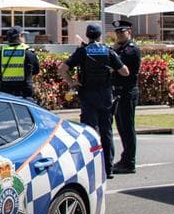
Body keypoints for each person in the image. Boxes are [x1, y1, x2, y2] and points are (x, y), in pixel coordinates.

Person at [59, 22, 129, 178]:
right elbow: (125, 72)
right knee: (107, 132)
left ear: (87, 35)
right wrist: (111, 69)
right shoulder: (108, 51)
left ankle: (91, 168)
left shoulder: (82, 52)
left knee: (89, 133)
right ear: (100, 35)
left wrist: (72, 82)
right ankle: (108, 168)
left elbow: (62, 69)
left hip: (88, 97)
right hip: (105, 97)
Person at [111, 20, 143, 174]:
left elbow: (116, 65)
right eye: (117, 32)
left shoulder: (131, 50)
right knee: (122, 127)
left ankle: (129, 161)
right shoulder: (120, 49)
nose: (119, 35)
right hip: (119, 92)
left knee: (127, 128)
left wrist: (113, 50)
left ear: (129, 32)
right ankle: (125, 158)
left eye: (121, 32)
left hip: (127, 92)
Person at [0, 26, 39, 99]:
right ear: (20, 36)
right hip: (24, 92)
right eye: (23, 35)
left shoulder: (1, 53)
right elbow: (36, 70)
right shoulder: (28, 52)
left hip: (6, 90)